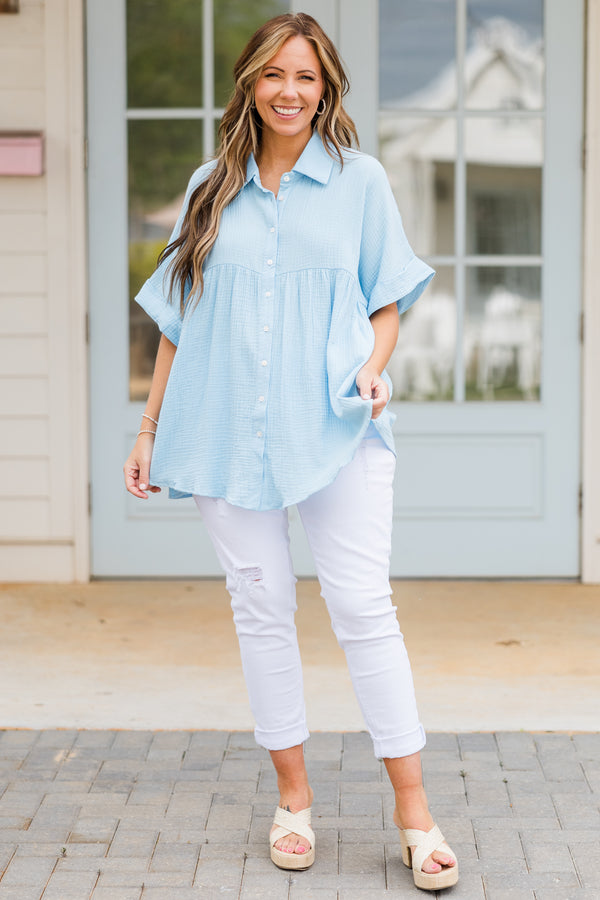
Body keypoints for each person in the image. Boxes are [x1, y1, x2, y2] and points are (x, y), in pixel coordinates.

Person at [123, 12, 458, 892]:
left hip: (339, 427)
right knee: (261, 610)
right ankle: (294, 801)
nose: (289, 91)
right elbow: (178, 322)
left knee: (363, 609)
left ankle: (416, 814)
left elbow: (387, 303)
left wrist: (372, 370)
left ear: (326, 88)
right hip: (225, 431)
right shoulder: (208, 187)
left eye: (305, 77)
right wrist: (149, 429)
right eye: (274, 74)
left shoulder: (359, 181)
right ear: (249, 83)